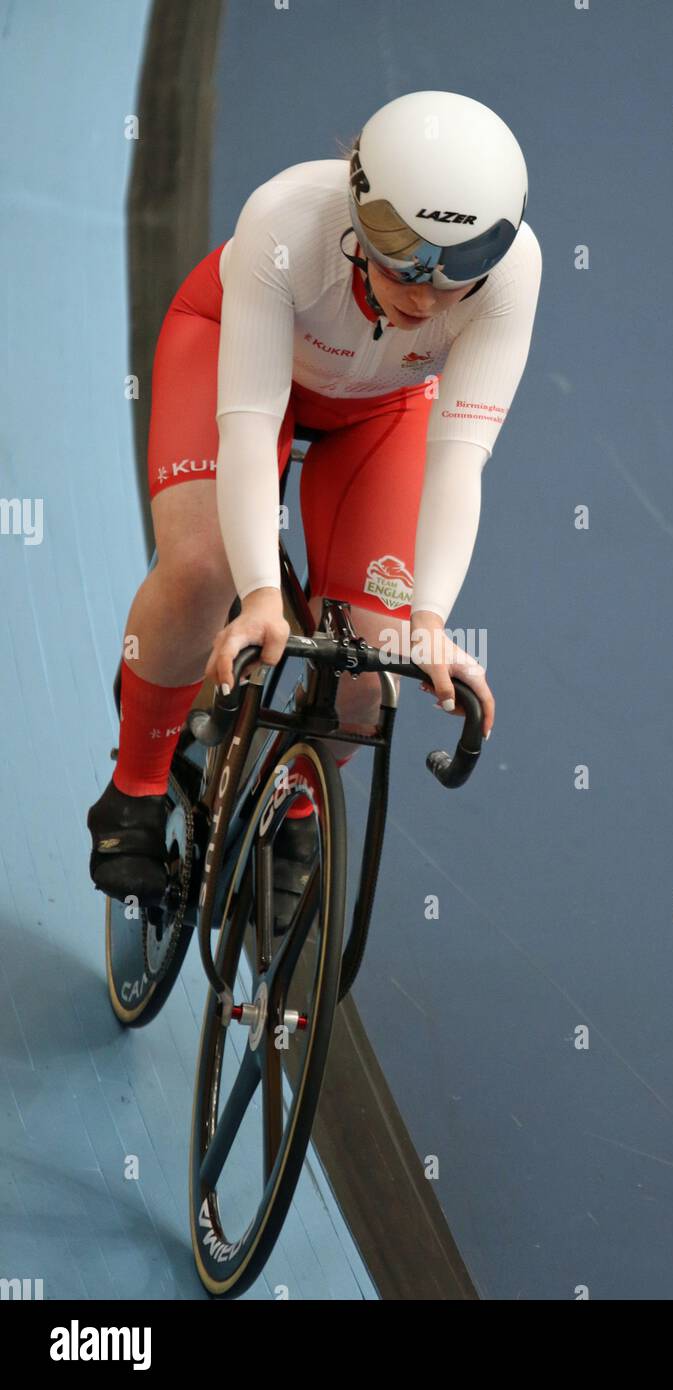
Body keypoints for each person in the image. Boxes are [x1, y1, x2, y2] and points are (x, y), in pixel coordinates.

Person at [87, 89, 542, 908]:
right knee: (202, 565)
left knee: (375, 662)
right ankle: (135, 787)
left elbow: (458, 462)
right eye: (402, 257)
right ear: (360, 209)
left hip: (384, 410)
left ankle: (296, 800)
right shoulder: (286, 218)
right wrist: (261, 596)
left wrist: (431, 621)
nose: (427, 297)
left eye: (460, 269)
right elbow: (250, 422)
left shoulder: (515, 278)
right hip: (232, 355)